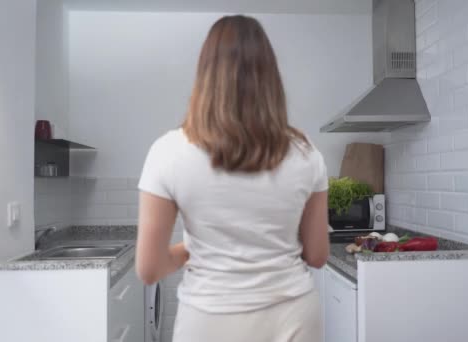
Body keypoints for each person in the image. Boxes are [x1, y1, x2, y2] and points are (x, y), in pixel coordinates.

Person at [136, 15, 330, 342]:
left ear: (206, 75)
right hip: (293, 315)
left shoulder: (167, 151)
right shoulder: (306, 153)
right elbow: (317, 255)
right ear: (270, 77)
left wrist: (190, 248)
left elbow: (150, 268)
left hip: (208, 320)